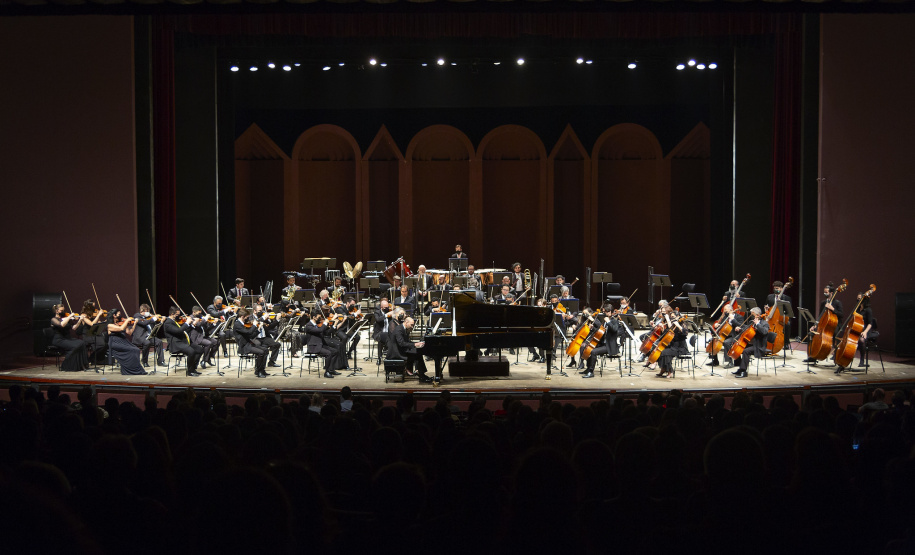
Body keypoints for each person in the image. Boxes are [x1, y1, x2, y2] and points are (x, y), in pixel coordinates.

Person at [804, 282, 845, 363]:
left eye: (826, 292)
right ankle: (812, 356)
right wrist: (815, 325)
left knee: (832, 334)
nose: (825, 293)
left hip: (834, 325)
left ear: (831, 293)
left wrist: (833, 309)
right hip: (823, 324)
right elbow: (820, 315)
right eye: (824, 292)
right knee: (811, 334)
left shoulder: (837, 303)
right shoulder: (823, 302)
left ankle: (834, 355)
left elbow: (841, 315)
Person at [581, 303, 622, 378]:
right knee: (587, 347)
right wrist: (593, 328)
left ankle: (591, 372)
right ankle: (588, 368)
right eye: (604, 312)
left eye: (606, 312)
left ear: (610, 312)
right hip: (602, 344)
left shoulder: (614, 321)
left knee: (593, 352)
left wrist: (608, 322)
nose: (605, 314)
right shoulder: (604, 321)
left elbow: (615, 330)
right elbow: (600, 332)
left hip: (609, 346)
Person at [387, 315, 431, 383]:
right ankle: (421, 374)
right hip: (397, 353)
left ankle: (420, 373)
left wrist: (416, 343)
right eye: (411, 325)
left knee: (418, 353)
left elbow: (406, 342)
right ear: (406, 322)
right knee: (417, 354)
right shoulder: (399, 329)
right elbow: (401, 343)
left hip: (400, 350)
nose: (412, 327)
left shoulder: (403, 329)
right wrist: (414, 344)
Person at [163, 306, 203, 376]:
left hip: (182, 341)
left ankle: (193, 368)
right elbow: (178, 331)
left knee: (200, 349)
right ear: (172, 314)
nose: (179, 316)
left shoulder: (175, 321)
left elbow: (184, 331)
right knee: (191, 351)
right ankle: (190, 371)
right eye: (177, 315)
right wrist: (187, 323)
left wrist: (193, 324)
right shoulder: (167, 323)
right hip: (175, 344)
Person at [731, 306, 769, 379]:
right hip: (751, 344)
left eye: (752, 314)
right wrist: (740, 329)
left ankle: (743, 371)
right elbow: (747, 330)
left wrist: (758, 324)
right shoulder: (752, 322)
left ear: (757, 315)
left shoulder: (764, 323)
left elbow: (764, 332)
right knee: (737, 347)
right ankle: (740, 367)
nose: (751, 316)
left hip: (758, 346)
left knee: (745, 351)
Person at [50, 304, 90, 372]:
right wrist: (69, 317)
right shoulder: (53, 319)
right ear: (57, 311)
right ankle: (66, 366)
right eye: (61, 310)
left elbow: (74, 328)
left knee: (82, 343)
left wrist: (80, 320)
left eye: (64, 310)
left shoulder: (65, 318)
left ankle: (80, 365)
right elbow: (61, 325)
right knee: (76, 346)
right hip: (59, 340)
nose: (63, 312)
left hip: (67, 338)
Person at [106, 309, 146, 376]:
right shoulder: (109, 325)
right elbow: (121, 329)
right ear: (114, 315)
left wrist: (134, 324)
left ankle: (135, 369)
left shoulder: (121, 323)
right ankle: (129, 370)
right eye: (119, 314)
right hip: (115, 343)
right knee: (132, 350)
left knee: (136, 349)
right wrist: (126, 321)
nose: (121, 316)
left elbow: (129, 333)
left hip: (123, 341)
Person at [706, 303, 744, 369]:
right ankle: (715, 361)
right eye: (724, 310)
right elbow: (722, 325)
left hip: (735, 336)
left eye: (726, 310)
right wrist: (717, 325)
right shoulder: (726, 317)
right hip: (725, 335)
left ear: (731, 310)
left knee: (726, 342)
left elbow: (741, 326)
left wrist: (733, 319)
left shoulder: (739, 317)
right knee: (712, 339)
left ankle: (730, 362)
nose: (724, 311)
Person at [304, 314, 343, 378]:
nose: (320, 319)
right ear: (314, 317)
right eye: (319, 317)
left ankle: (331, 369)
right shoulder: (308, 326)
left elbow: (327, 333)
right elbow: (319, 330)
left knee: (335, 351)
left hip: (320, 344)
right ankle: (326, 372)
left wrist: (334, 325)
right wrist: (325, 323)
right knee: (328, 353)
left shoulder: (319, 325)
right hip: (313, 347)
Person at [654, 305, 688, 378]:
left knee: (665, 353)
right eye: (671, 317)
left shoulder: (682, 324)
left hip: (680, 347)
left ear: (678, 316)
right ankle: (663, 369)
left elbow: (685, 333)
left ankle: (670, 371)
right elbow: (667, 334)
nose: (672, 318)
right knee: (660, 351)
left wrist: (678, 325)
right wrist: (663, 329)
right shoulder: (672, 325)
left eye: (673, 317)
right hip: (672, 346)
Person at [233, 310, 269, 378]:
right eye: (247, 317)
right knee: (261, 352)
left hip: (248, 344)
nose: (248, 319)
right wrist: (254, 325)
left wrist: (258, 328)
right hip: (244, 347)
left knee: (266, 350)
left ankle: (261, 370)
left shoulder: (242, 324)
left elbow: (251, 336)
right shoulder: (237, 324)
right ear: (243, 317)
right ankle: (258, 371)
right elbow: (248, 332)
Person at [132, 304, 165, 368]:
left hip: (148, 336)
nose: (148, 313)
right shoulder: (137, 316)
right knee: (147, 343)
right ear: (142, 310)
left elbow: (154, 323)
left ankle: (161, 361)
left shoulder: (149, 318)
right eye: (147, 311)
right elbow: (144, 322)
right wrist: (153, 318)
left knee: (159, 341)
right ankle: (144, 361)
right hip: (140, 337)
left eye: (148, 311)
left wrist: (160, 320)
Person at [856, 291, 876, 368]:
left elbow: (870, 323)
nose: (858, 300)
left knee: (861, 340)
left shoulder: (868, 310)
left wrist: (865, 332)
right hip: (857, 329)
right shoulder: (857, 309)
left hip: (865, 330)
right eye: (857, 299)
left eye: (859, 299)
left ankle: (862, 360)